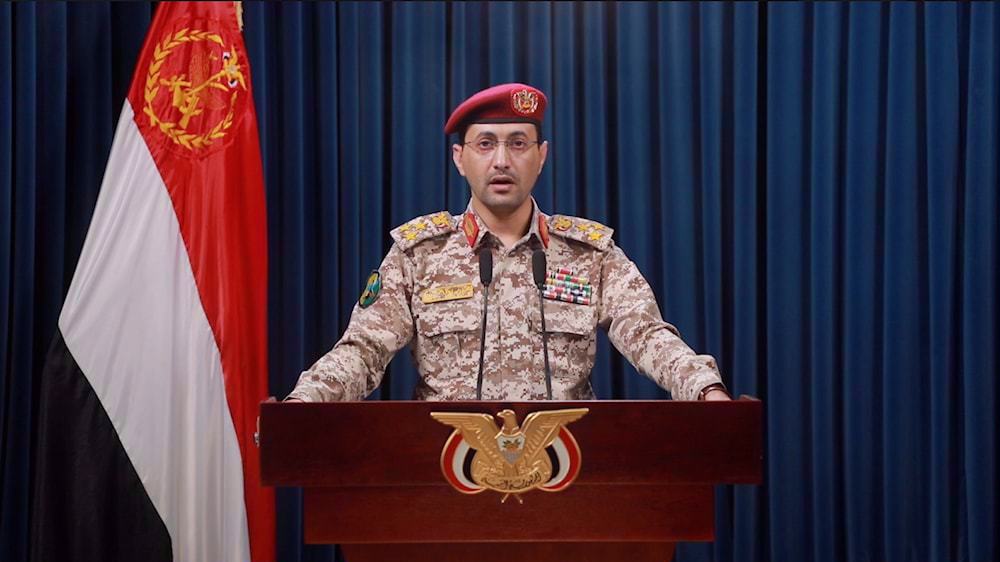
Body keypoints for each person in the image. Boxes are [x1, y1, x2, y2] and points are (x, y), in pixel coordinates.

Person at [286, 83, 730, 403]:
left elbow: (649, 336)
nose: (502, 160)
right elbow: (363, 351)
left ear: (542, 156)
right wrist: (305, 404)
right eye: (485, 144)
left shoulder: (589, 255)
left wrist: (705, 390)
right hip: (445, 475)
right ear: (460, 159)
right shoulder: (418, 255)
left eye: (518, 143)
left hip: (565, 475)